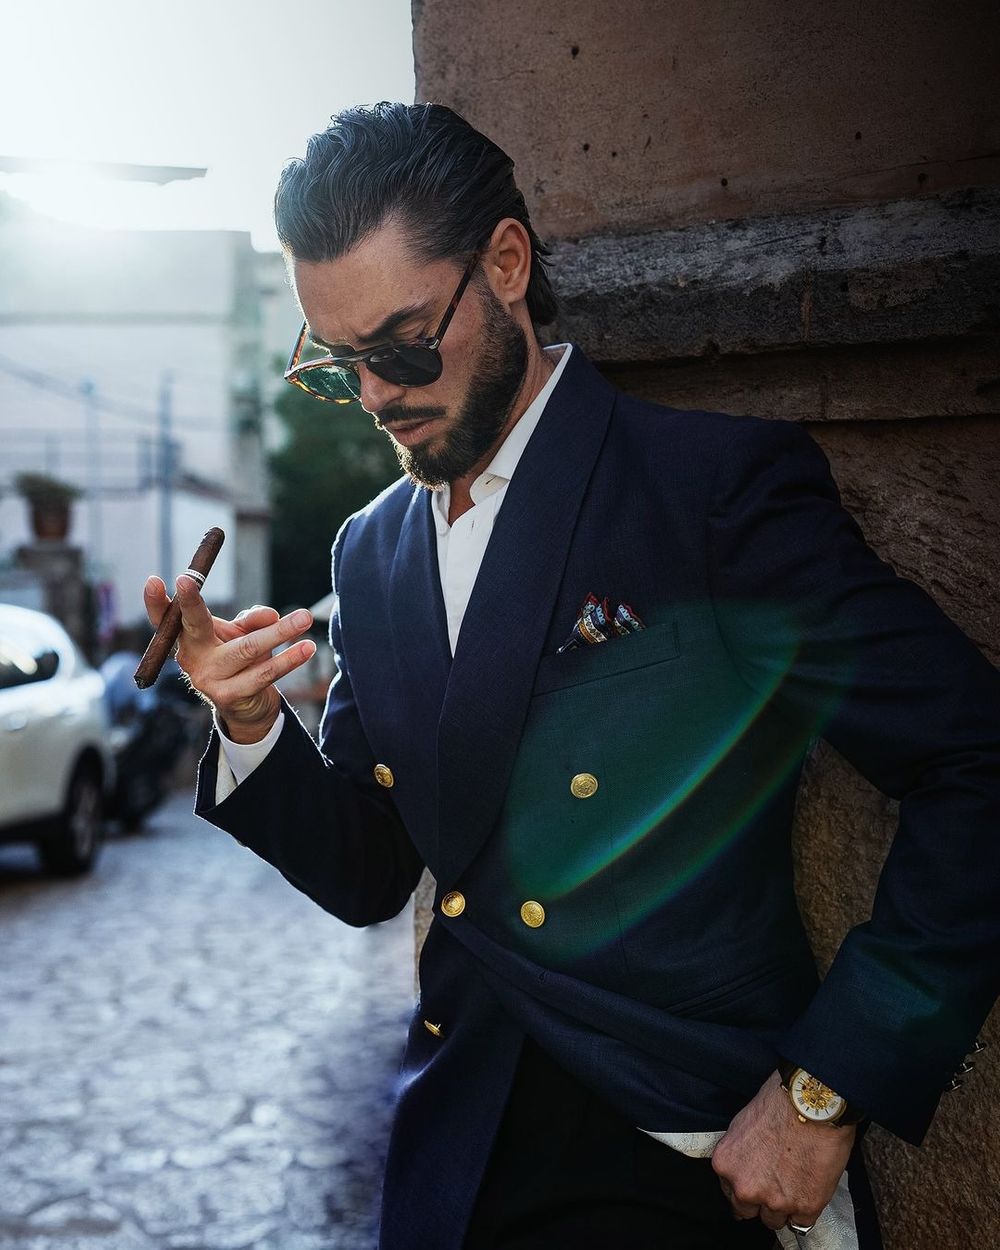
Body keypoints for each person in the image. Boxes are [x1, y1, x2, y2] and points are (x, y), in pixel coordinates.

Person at [143, 103, 1000, 1250]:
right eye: (342, 366)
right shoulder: (372, 550)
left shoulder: (706, 492)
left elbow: (976, 761)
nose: (382, 395)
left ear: (506, 264)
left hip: (679, 1147)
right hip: (454, 1144)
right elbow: (371, 869)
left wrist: (825, 1086)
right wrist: (246, 718)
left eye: (403, 343)